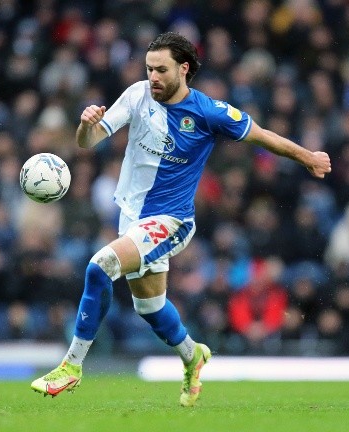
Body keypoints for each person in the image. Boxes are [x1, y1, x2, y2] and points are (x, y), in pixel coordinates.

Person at [30, 32, 331, 407]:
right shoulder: (138, 94)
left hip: (172, 221)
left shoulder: (209, 112)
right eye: (148, 68)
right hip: (132, 217)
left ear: (183, 69)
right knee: (150, 308)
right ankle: (193, 355)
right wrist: (86, 124)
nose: (152, 76)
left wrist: (307, 157)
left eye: (160, 69)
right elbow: (86, 144)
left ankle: (71, 366)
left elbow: (262, 136)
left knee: (100, 265)